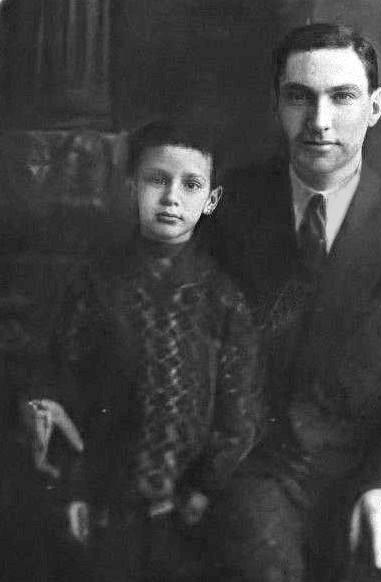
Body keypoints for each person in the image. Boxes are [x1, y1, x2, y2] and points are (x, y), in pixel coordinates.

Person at [205, 23, 381, 582]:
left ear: (375, 107)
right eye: (299, 97)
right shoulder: (227, 209)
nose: (319, 120)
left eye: (342, 97)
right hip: (264, 468)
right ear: (277, 105)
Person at [26, 118, 262, 581]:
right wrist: (75, 489)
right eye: (157, 179)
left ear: (211, 200)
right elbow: (63, 392)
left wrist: (205, 489)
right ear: (132, 186)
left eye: (191, 185)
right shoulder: (96, 287)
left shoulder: (224, 300)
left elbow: (240, 413)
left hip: (191, 512)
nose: (172, 197)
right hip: (107, 505)